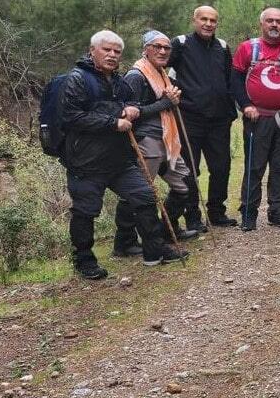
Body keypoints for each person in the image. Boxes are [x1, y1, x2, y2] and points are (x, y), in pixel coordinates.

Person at [61, 30, 186, 278]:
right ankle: (84, 261)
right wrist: (114, 122)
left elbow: (134, 106)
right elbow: (72, 117)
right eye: (106, 50)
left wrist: (131, 109)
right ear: (92, 50)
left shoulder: (118, 80)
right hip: (86, 161)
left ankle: (154, 251)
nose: (112, 55)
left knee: (145, 196)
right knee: (86, 211)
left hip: (119, 159)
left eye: (116, 51)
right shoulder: (77, 79)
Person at [232, 7, 280, 231]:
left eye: (278, 22)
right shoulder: (248, 48)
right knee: (254, 167)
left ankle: (277, 212)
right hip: (257, 119)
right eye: (270, 21)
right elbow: (235, 81)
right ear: (262, 24)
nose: (274, 25)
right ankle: (248, 214)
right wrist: (246, 105)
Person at [119, 31, 199, 248]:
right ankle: (124, 242)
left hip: (168, 140)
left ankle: (167, 229)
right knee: (140, 191)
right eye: (157, 46)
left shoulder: (163, 74)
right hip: (146, 141)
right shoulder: (136, 76)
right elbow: (129, 112)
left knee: (185, 183)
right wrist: (165, 103)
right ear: (145, 49)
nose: (163, 51)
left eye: (166, 48)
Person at [168, 5, 238, 228]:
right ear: (194, 20)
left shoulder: (223, 47)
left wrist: (230, 110)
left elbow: (229, 79)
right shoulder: (180, 44)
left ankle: (217, 212)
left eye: (213, 20)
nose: (208, 24)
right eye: (204, 19)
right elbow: (160, 67)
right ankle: (192, 216)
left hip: (219, 119)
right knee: (190, 169)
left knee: (221, 167)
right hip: (189, 118)